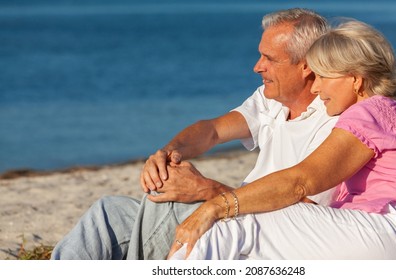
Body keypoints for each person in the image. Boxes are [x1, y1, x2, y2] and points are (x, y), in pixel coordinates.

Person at [51, 8, 339, 260]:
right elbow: (211, 131)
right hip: (230, 211)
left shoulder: (332, 123)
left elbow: (304, 217)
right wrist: (168, 153)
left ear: (305, 66)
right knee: (109, 212)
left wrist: (209, 191)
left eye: (269, 58)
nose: (257, 66)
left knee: (167, 199)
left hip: (253, 234)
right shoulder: (272, 100)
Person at [167, 20, 396, 260]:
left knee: (233, 222)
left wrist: (216, 205)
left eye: (323, 76)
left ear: (355, 79)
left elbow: (301, 182)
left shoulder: (372, 112)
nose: (317, 86)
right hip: (393, 238)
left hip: (389, 231)